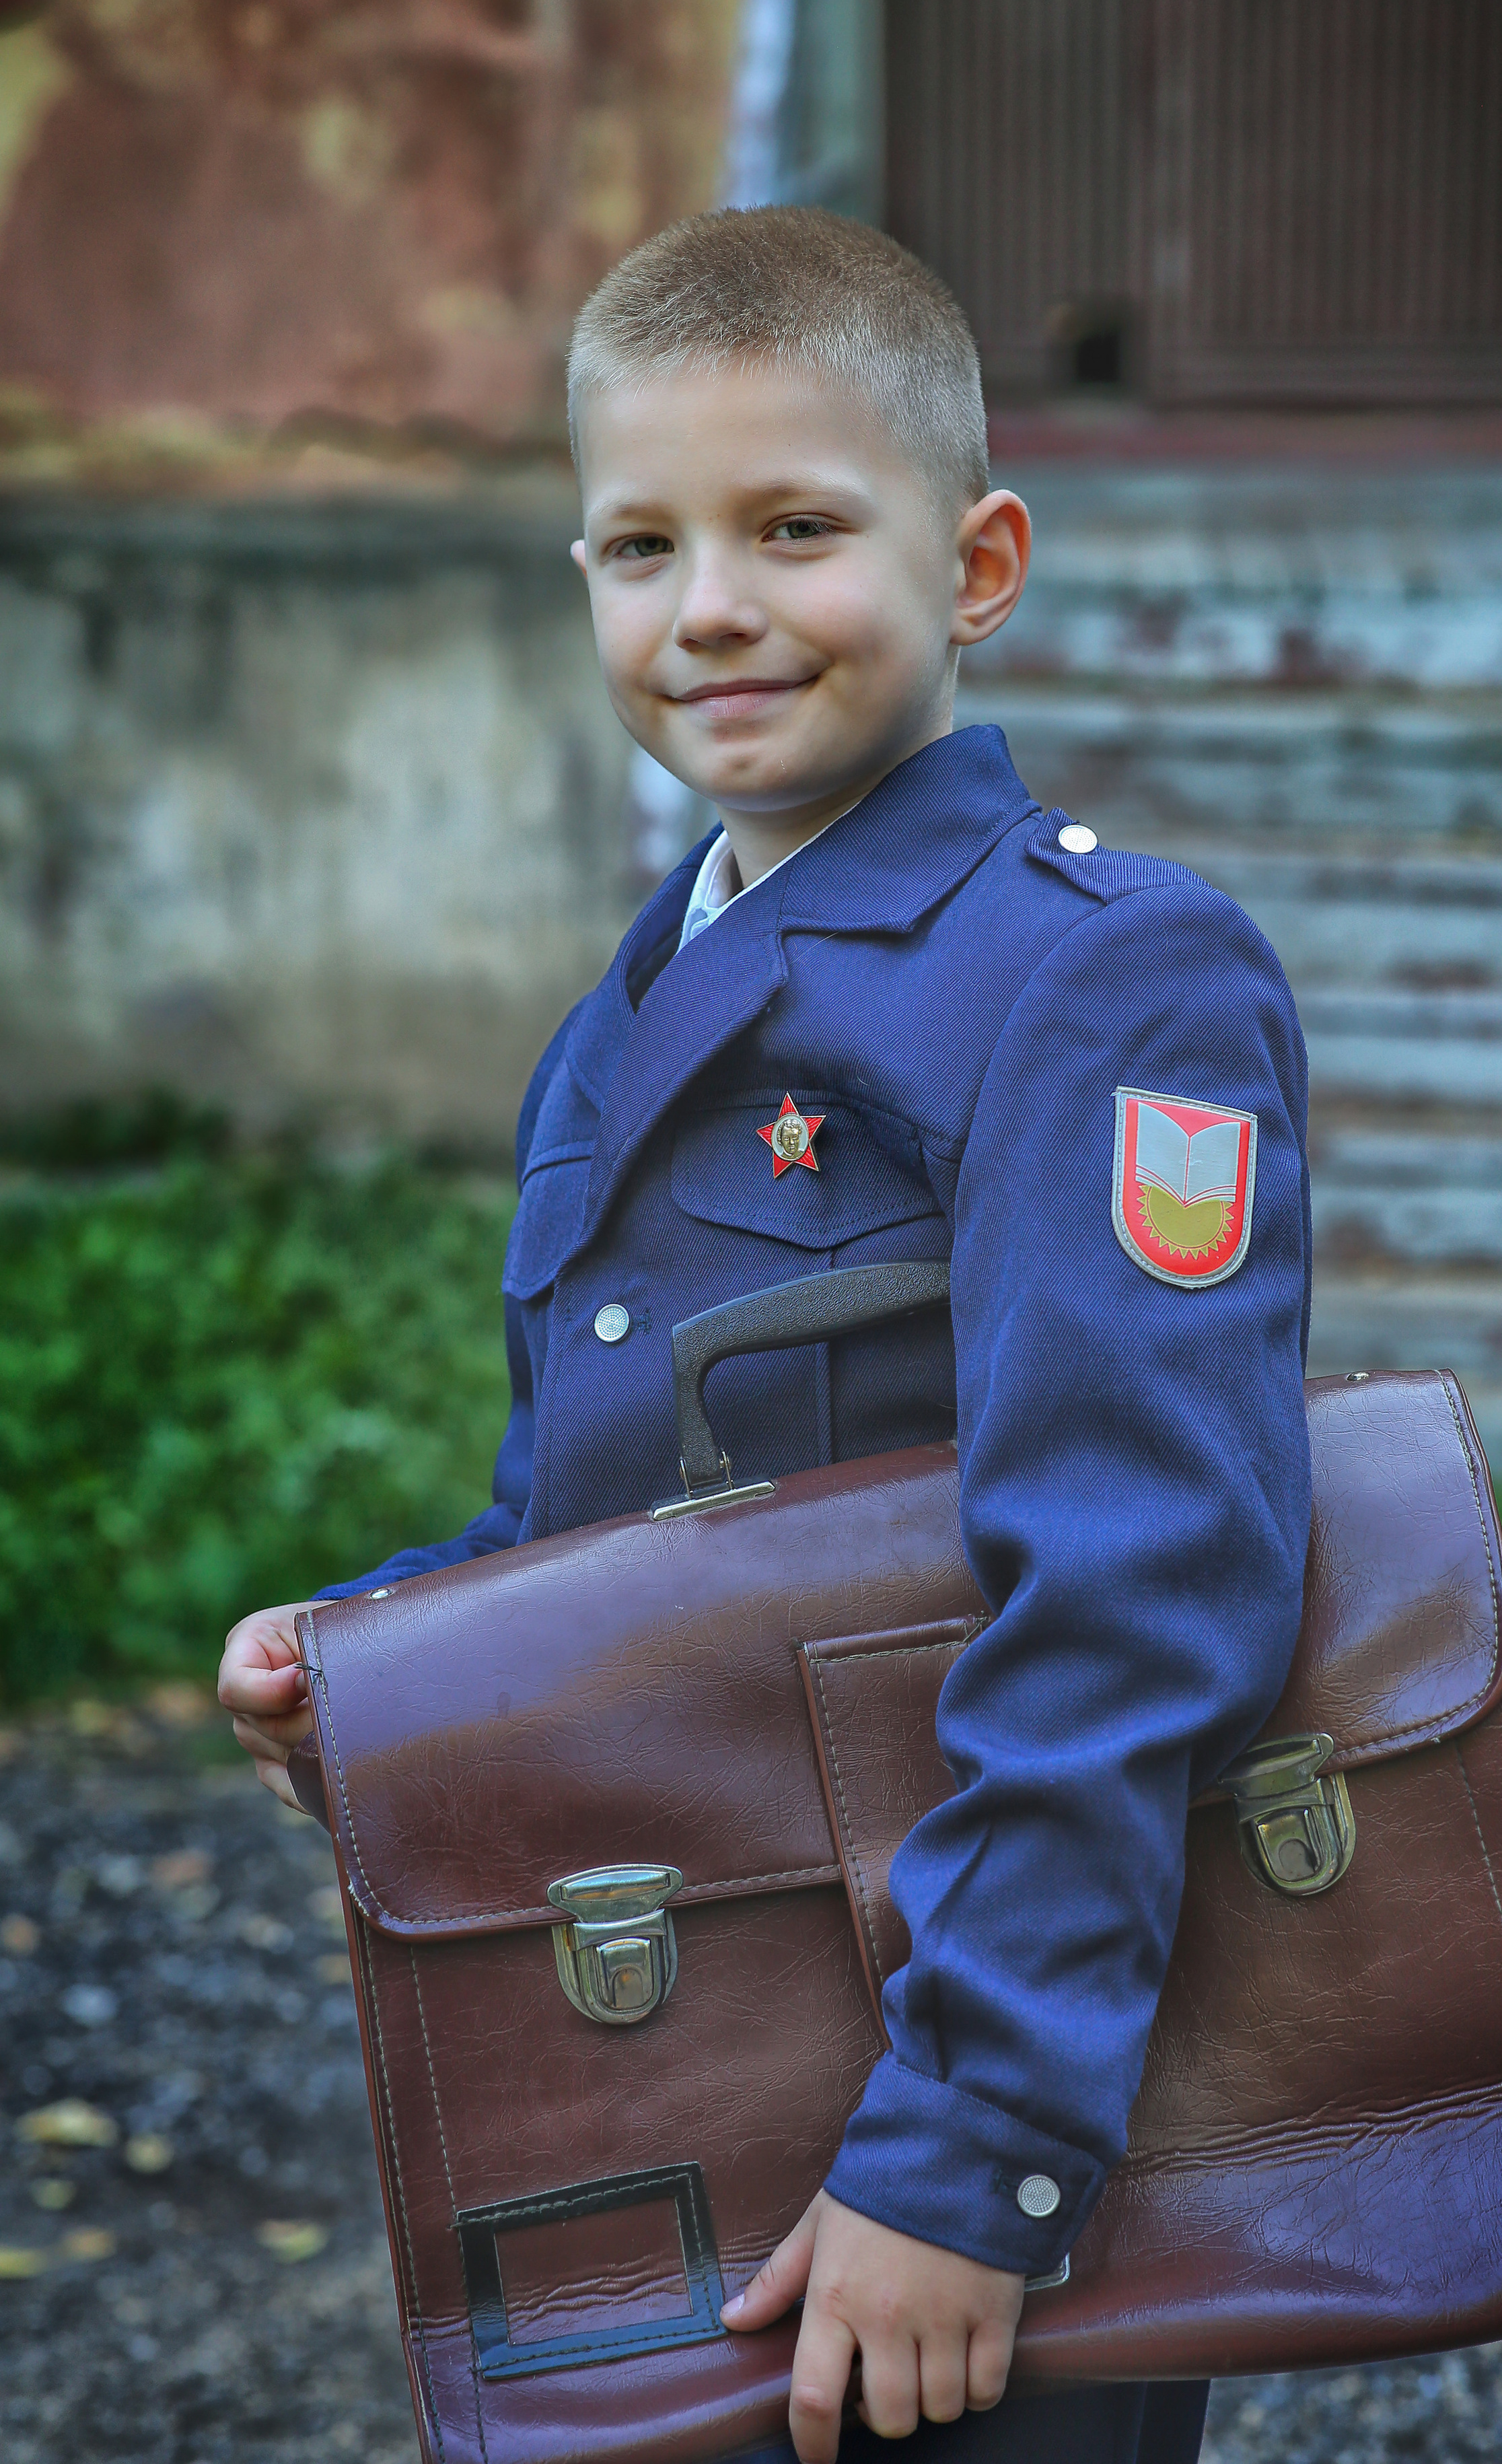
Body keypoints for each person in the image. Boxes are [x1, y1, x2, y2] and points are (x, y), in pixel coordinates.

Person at [218, 207, 1311, 2464]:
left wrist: (979, 2157)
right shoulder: (622, 1016)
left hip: (971, 2097)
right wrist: (390, 1650)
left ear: (979, 561)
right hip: (666, 2044)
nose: (706, 607)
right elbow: (600, 1525)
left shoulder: (1097, 977)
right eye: (637, 546)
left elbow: (1141, 1593)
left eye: (795, 526)